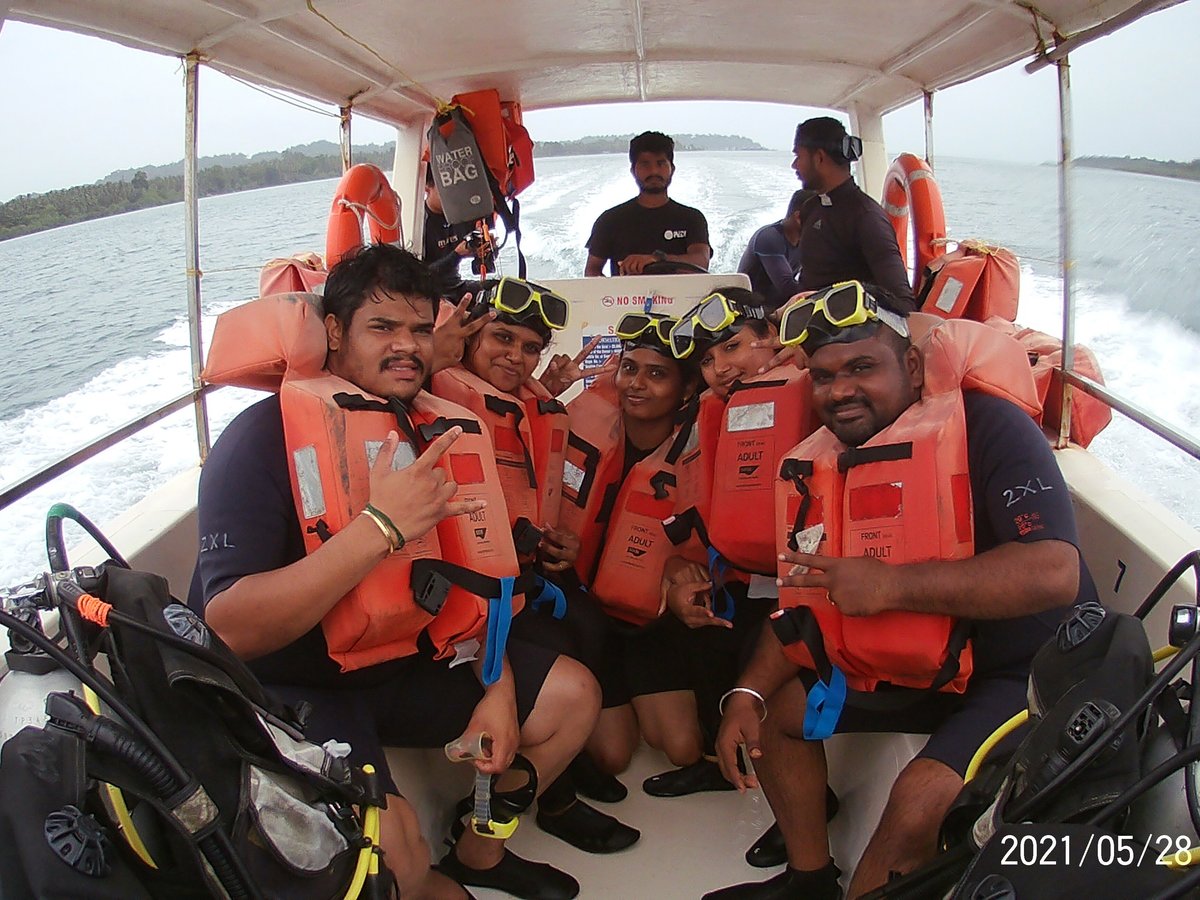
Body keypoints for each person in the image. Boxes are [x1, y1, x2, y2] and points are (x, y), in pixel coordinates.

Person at [190, 244, 600, 900]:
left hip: (400, 659)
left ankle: (478, 855)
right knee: (399, 858)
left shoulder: (434, 425)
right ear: (333, 332)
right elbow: (230, 629)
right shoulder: (260, 439)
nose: (406, 346)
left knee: (572, 699)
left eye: (418, 328)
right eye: (382, 328)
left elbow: (463, 585)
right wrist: (378, 529)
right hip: (293, 684)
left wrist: (493, 688)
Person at [706, 283, 1095, 899]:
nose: (841, 390)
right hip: (920, 665)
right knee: (778, 718)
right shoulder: (825, 457)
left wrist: (891, 584)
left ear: (912, 367)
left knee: (917, 801)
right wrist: (745, 692)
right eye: (825, 375)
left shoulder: (989, 428)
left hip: (1026, 672)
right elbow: (803, 597)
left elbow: (1055, 573)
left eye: (863, 367)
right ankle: (808, 881)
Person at [430, 278, 639, 854]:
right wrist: (433, 348)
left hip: (521, 575)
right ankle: (556, 797)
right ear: (466, 336)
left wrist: (557, 546)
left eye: (529, 348)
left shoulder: (527, 400)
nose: (515, 358)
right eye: (501, 338)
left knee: (592, 622)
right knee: (566, 641)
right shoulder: (429, 388)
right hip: (464, 597)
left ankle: (561, 767)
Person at [645, 288, 812, 800]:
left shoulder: (808, 386)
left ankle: (799, 796)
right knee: (705, 646)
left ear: (773, 339)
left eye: (734, 347)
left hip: (800, 579)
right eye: (710, 360)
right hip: (735, 570)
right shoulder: (714, 410)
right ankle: (718, 764)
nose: (721, 368)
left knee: (778, 680)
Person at [559, 313, 710, 786]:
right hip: (582, 614)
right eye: (629, 369)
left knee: (683, 749)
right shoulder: (582, 420)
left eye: (656, 373)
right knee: (612, 757)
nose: (636, 384)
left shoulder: (703, 451)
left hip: (650, 622)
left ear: (686, 390)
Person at [790, 117, 915, 308]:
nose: (794, 165)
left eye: (799, 156)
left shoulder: (867, 217)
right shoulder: (810, 208)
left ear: (819, 158)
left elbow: (903, 302)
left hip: (840, 333)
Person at [584, 131, 712, 276]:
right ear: (633, 171)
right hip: (626, 297)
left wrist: (657, 259)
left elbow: (702, 261)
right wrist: (611, 296)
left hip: (683, 298)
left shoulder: (692, 218)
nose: (654, 171)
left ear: (672, 169)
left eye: (661, 163)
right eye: (645, 164)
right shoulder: (610, 220)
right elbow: (592, 270)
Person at [737, 190, 816, 309]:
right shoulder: (769, 238)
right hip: (752, 311)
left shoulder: (808, 241)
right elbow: (787, 287)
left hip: (779, 307)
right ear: (798, 218)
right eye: (818, 220)